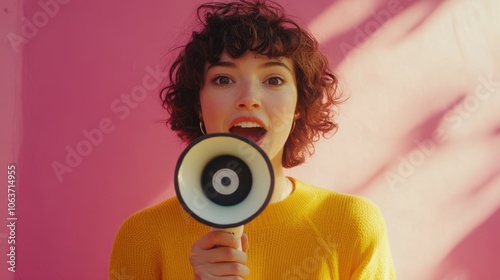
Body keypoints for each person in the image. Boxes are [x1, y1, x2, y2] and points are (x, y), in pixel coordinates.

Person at [109, 0, 395, 279]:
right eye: (223, 79)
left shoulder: (352, 225)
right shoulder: (142, 236)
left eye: (273, 80)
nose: (248, 99)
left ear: (298, 106)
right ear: (198, 104)